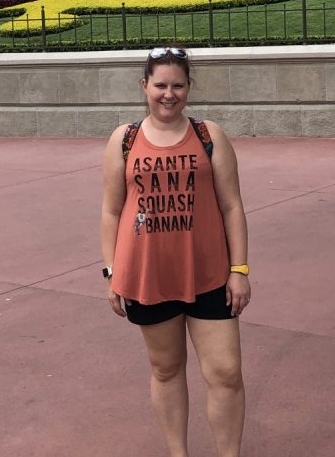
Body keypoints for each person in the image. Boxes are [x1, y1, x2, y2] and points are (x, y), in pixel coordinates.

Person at [101, 46, 251, 457]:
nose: (169, 94)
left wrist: (239, 269)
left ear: (189, 88)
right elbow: (112, 210)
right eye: (160, 85)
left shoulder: (209, 136)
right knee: (166, 370)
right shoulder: (124, 140)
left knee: (226, 372)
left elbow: (232, 205)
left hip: (209, 274)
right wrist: (112, 272)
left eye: (178, 85)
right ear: (144, 86)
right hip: (148, 275)